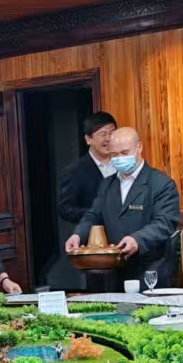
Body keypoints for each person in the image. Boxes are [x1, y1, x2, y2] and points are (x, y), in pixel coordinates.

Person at [64, 126, 181, 288]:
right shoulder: (107, 184)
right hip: (114, 271)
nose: (119, 158)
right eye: (114, 155)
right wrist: (78, 235)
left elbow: (165, 223)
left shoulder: (161, 183)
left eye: (124, 153)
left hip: (150, 271)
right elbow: (93, 215)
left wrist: (137, 240)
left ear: (139, 148)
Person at [44, 111, 117, 291]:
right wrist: (97, 215)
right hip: (92, 246)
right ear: (88, 139)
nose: (108, 138)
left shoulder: (122, 164)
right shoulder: (75, 171)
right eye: (103, 134)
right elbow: (65, 208)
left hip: (120, 244)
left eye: (112, 133)